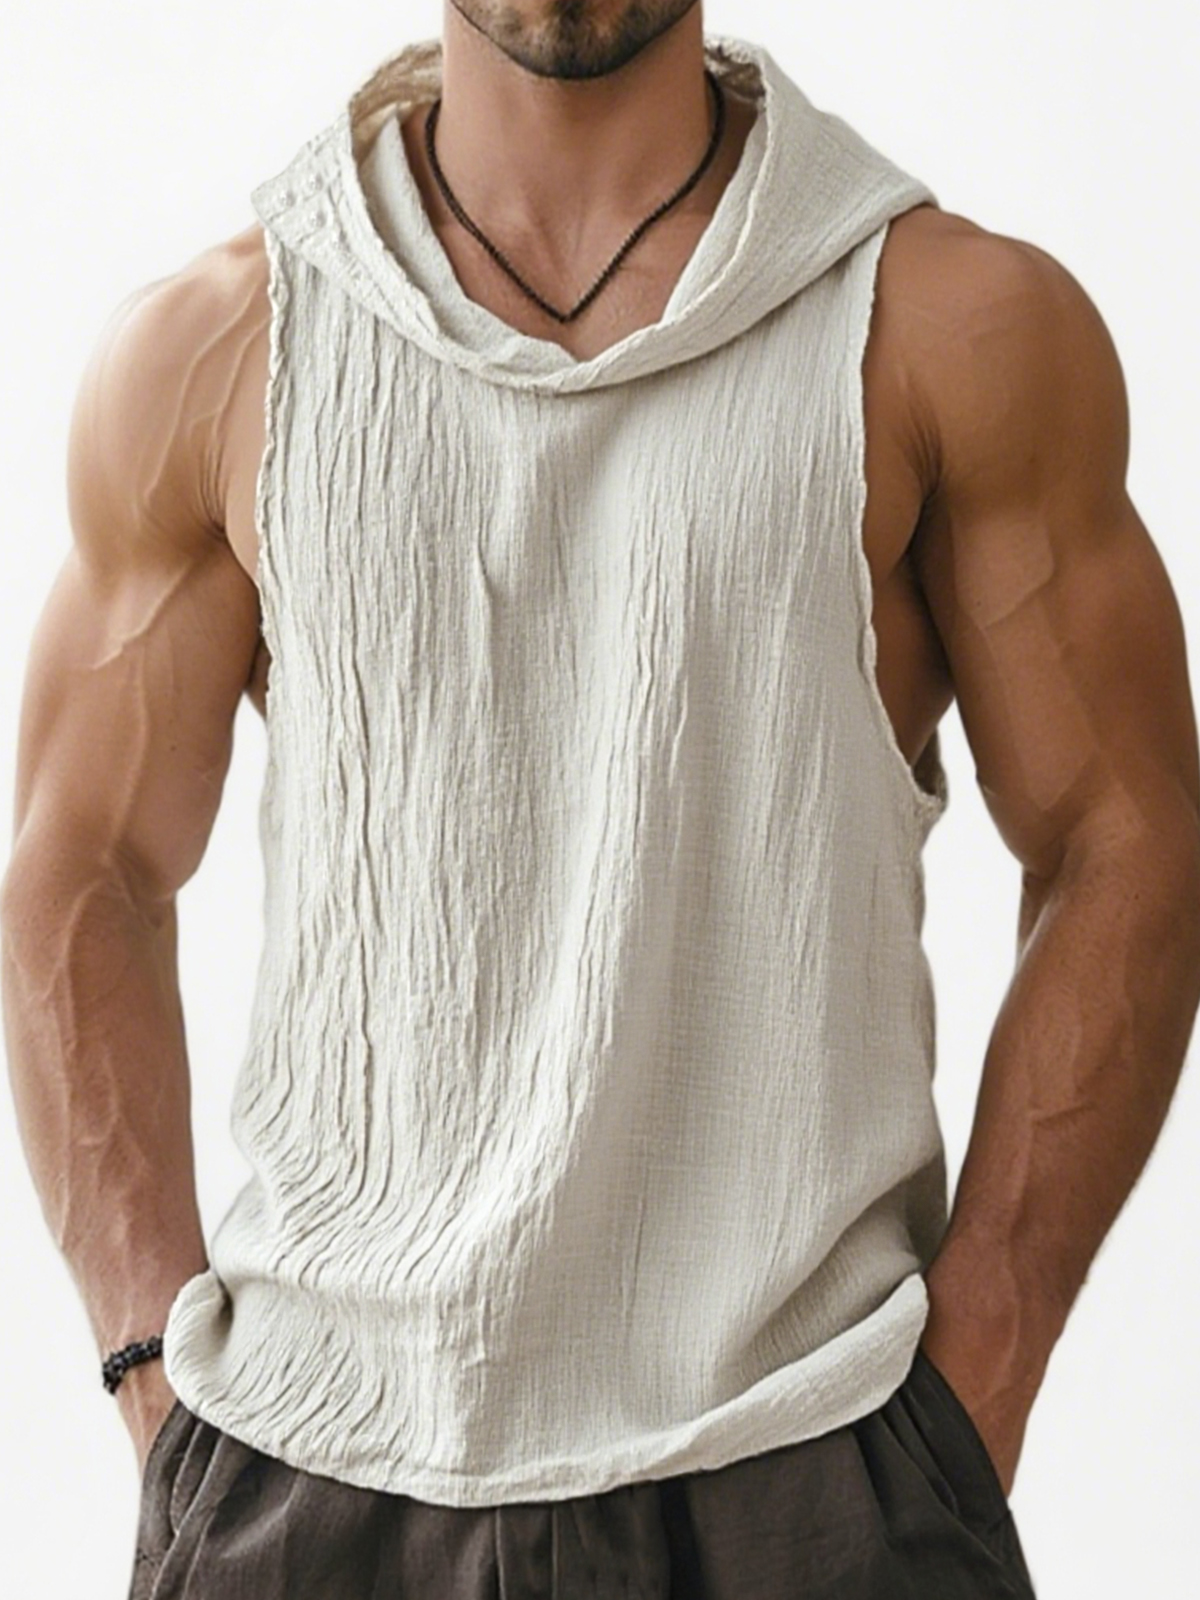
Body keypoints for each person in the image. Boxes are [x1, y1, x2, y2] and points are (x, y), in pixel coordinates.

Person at [4, 3, 1199, 1596]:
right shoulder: (226, 347)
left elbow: (1126, 832)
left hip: (812, 1470)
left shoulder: (943, 323)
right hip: (315, 1471)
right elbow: (79, 860)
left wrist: (979, 1375)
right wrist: (154, 1377)